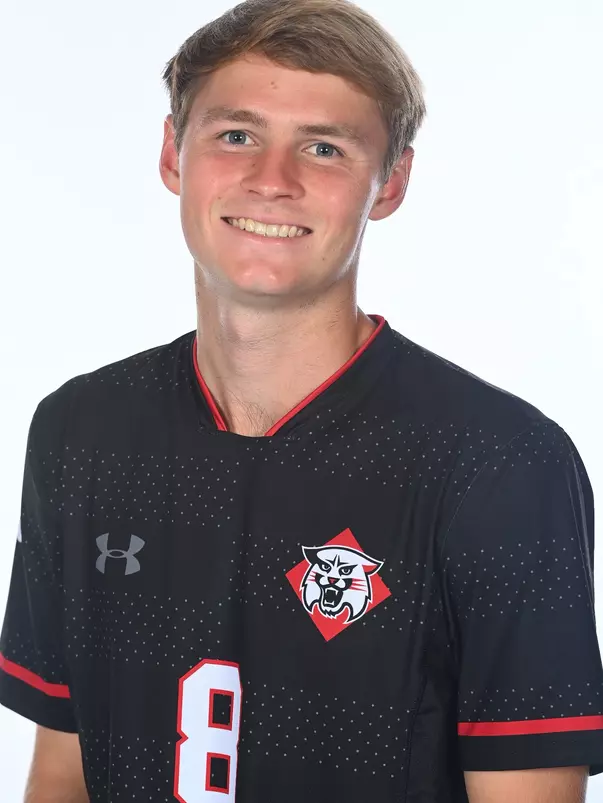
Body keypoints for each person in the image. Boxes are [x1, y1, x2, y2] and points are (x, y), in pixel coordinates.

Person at [1, 0, 602, 800]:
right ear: (173, 155)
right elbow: (61, 774)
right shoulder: (80, 431)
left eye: (323, 147)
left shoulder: (498, 463)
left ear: (389, 183)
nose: (272, 181)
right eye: (236, 135)